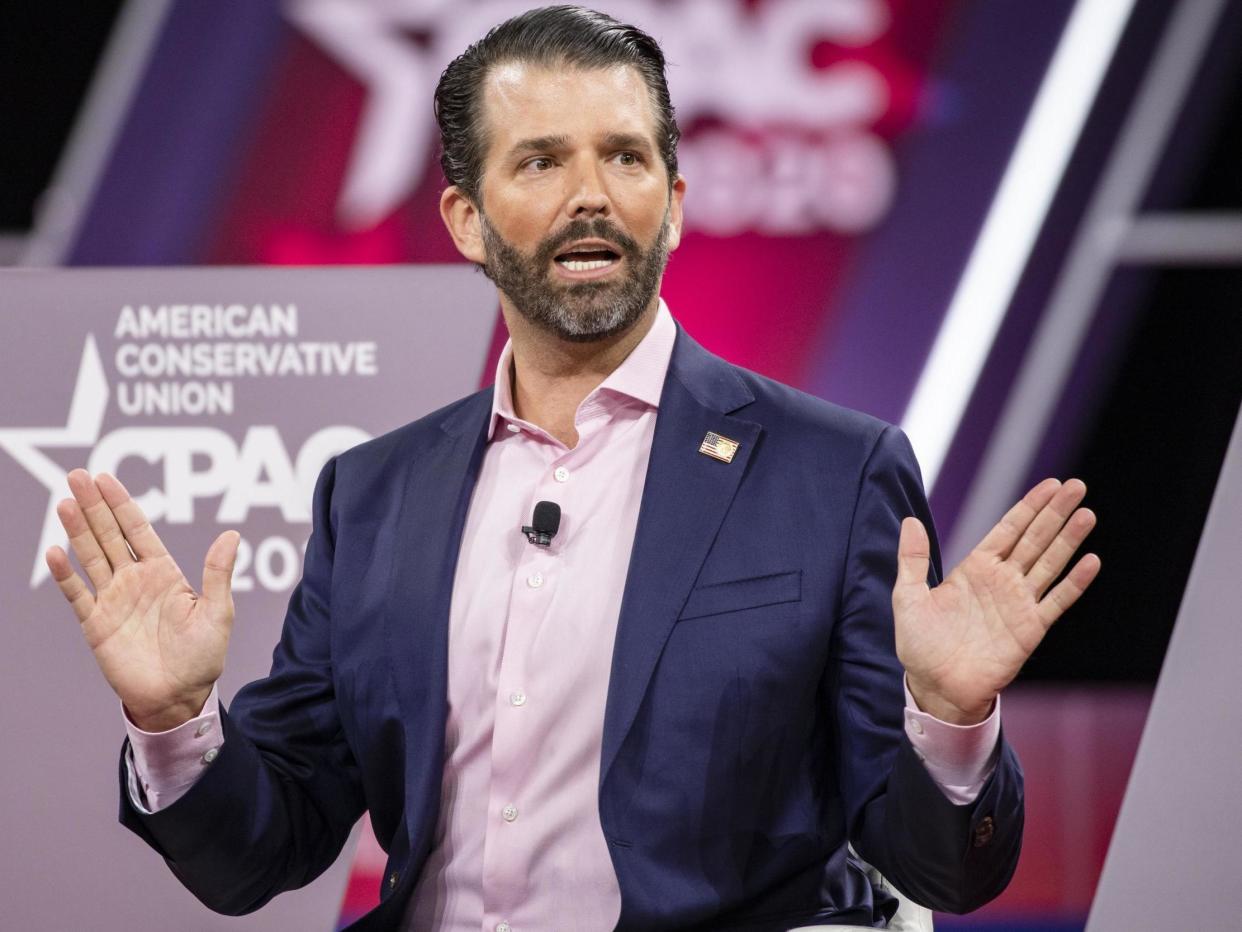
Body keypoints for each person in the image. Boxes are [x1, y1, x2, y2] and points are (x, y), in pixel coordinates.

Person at [45, 7, 1099, 931]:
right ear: (467, 217)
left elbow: (938, 867)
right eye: (542, 161)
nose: (592, 196)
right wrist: (177, 719)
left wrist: (952, 717)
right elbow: (259, 854)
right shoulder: (373, 494)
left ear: (676, 203)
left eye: (626, 157)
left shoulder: (831, 472)